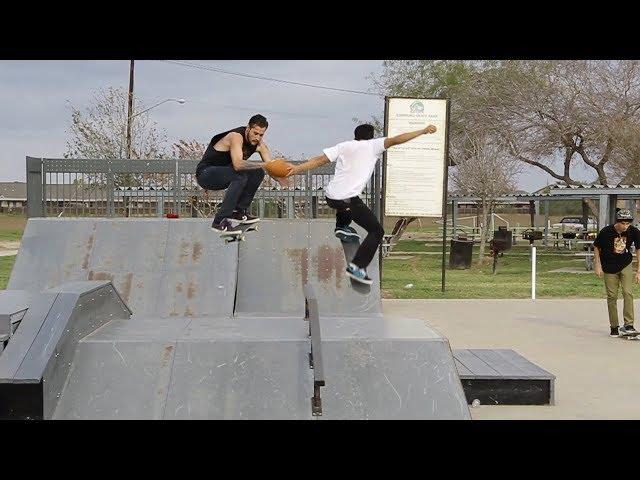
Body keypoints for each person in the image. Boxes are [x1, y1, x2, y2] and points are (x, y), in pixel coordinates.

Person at [285, 123, 437, 284]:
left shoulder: (344, 146)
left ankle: (341, 226)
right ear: (371, 136)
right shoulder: (373, 145)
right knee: (377, 231)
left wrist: (297, 168)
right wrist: (423, 131)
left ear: (355, 135)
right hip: (348, 199)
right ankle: (357, 267)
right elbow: (397, 139)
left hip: (331, 196)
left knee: (346, 204)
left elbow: (319, 160)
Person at [196, 114, 283, 233]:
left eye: (261, 135)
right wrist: (264, 165)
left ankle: (239, 212)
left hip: (225, 175)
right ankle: (220, 221)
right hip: (206, 174)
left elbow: (270, 167)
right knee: (240, 176)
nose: (257, 138)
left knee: (258, 172)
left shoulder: (260, 146)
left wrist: (281, 177)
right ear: (248, 128)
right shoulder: (236, 137)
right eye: (255, 133)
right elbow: (238, 164)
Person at [593, 208, 640, 337]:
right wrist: (597, 265)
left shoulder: (633, 231)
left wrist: (639, 270)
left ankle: (628, 325)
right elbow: (597, 247)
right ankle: (614, 326)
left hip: (625, 264)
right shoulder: (606, 232)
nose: (626, 226)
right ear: (617, 222)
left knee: (627, 292)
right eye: (623, 223)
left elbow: (638, 249)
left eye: (628, 223)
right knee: (612, 296)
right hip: (608, 267)